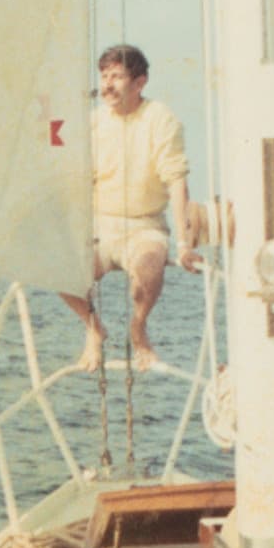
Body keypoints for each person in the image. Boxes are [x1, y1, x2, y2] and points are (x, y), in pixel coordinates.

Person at [61, 44, 202, 372]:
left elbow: (177, 181)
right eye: (104, 76)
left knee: (149, 271)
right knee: (59, 266)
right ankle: (94, 329)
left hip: (144, 226)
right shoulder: (92, 123)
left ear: (140, 83)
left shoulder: (160, 119)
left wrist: (183, 244)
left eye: (117, 77)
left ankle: (138, 328)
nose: (107, 85)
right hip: (99, 224)